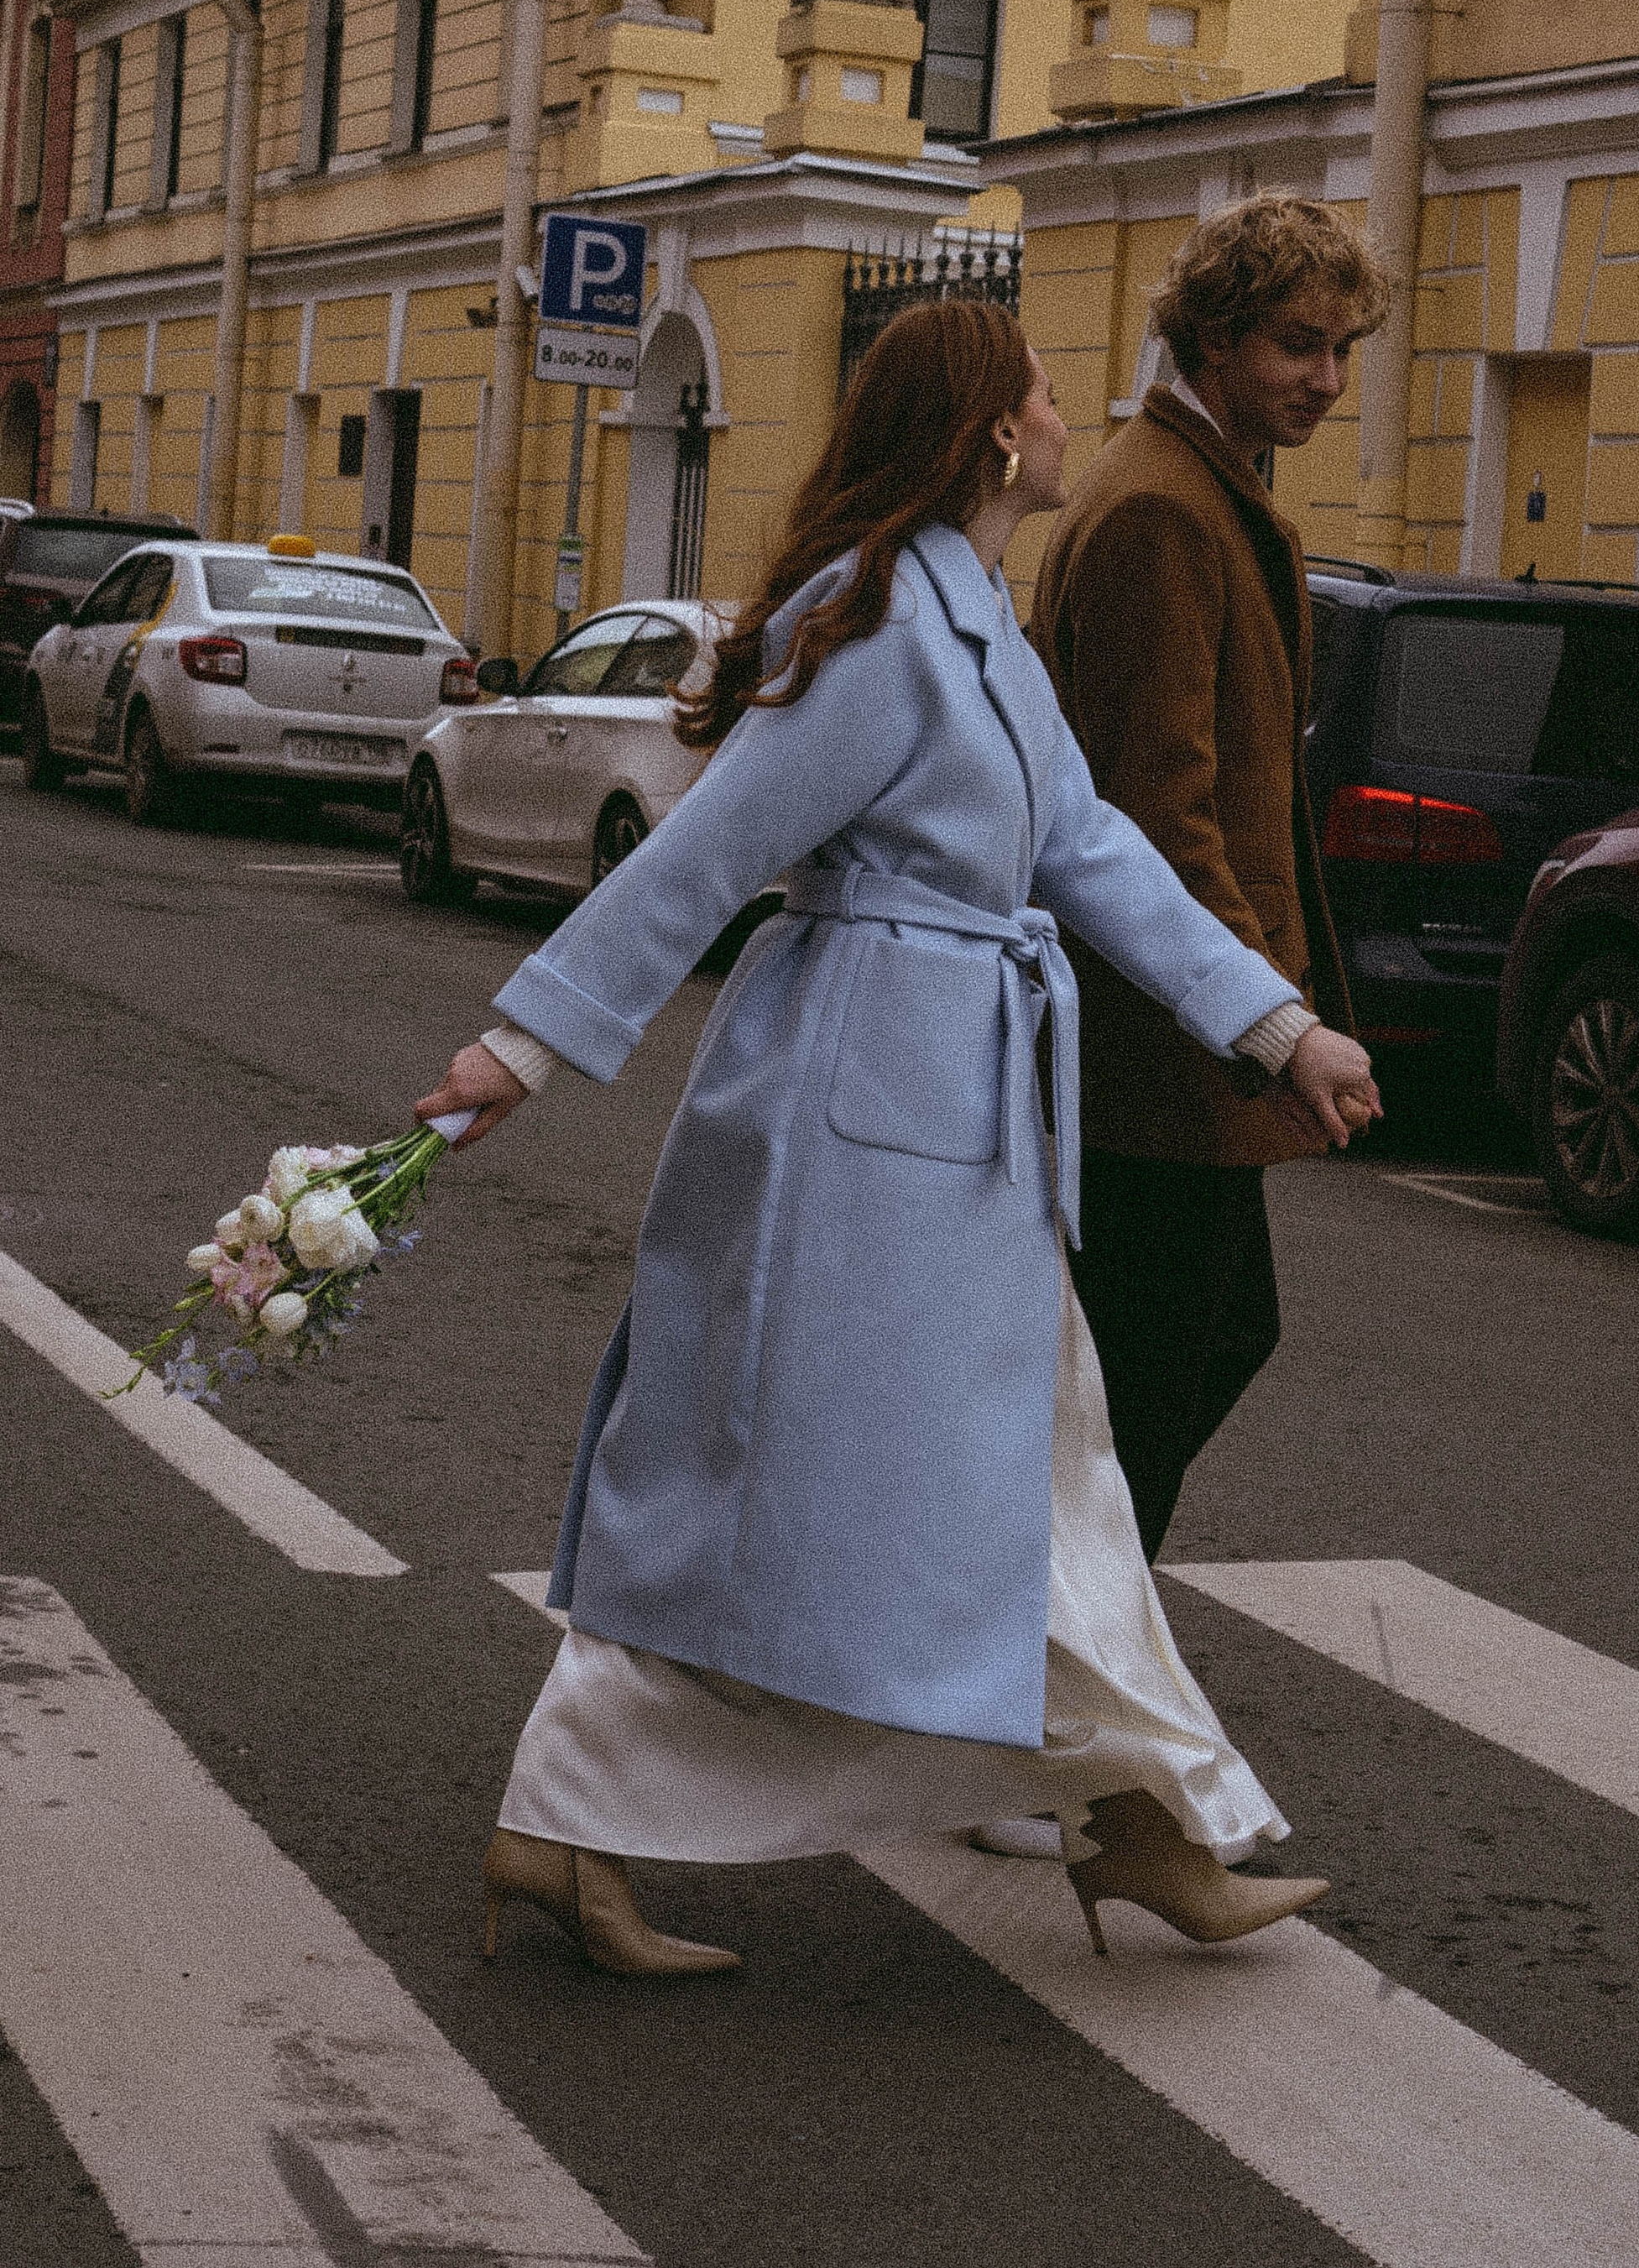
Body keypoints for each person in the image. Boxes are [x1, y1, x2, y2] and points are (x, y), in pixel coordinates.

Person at [416, 301, 1379, 1978]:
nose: (1071, 416)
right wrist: (526, 1042)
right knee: (770, 1486)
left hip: (963, 1119)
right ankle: (565, 1820)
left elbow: (1089, 849)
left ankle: (1143, 1822)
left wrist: (1273, 1025)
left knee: (1046, 1480)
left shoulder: (974, 616)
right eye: (1049, 393)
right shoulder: (879, 630)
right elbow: (709, 852)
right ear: (996, 431)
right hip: (853, 1124)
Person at [1031, 193, 1391, 1565]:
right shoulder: (1162, 513)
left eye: (1342, 348)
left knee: (1186, 1353)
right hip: (1158, 1048)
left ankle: (1061, 1640)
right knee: (1147, 1382)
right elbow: (1157, 817)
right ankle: (1058, 1652)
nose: (1328, 379)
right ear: (1217, 337)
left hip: (1180, 1034)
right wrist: (1266, 1023)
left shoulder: (1200, 490)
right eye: (1300, 344)